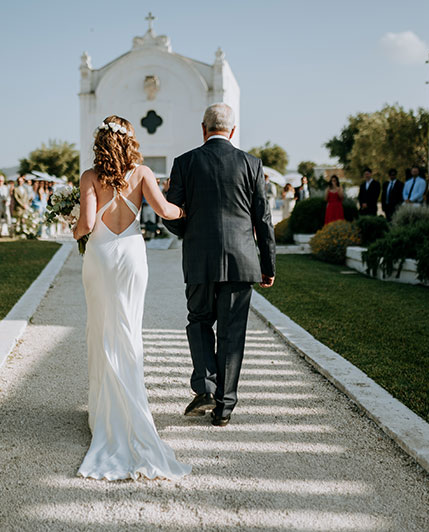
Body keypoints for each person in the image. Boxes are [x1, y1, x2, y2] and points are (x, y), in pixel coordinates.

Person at [72, 115, 189, 481]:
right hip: (132, 256)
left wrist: (71, 224)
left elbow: (87, 224)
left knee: (102, 328)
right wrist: (188, 211)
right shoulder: (142, 174)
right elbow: (166, 211)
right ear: (128, 141)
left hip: (102, 256)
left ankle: (104, 414)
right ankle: (131, 410)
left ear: (100, 142)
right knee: (129, 329)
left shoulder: (90, 177)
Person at [164, 102, 276, 428]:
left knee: (198, 321)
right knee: (232, 332)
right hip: (242, 260)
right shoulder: (252, 164)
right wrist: (268, 264)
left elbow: (172, 213)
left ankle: (206, 386)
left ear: (203, 129)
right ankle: (224, 408)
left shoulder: (184, 163)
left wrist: (192, 232)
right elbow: (263, 220)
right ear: (233, 131)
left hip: (199, 258)